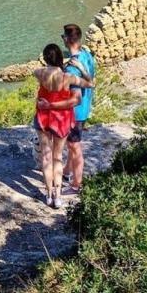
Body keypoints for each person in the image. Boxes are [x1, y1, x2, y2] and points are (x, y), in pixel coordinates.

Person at [33, 44, 92, 208]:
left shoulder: (39, 73)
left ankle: (49, 194)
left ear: (45, 59)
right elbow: (90, 84)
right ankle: (58, 197)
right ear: (60, 57)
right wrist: (81, 67)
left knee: (46, 157)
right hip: (61, 120)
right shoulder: (68, 78)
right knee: (57, 157)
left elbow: (35, 72)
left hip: (43, 118)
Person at [61, 24, 95, 195]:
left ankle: (76, 185)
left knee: (74, 147)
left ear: (66, 39)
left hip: (75, 113)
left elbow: (76, 98)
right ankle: (66, 172)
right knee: (71, 144)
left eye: (63, 36)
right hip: (85, 108)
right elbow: (90, 82)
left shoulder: (72, 68)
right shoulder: (87, 55)